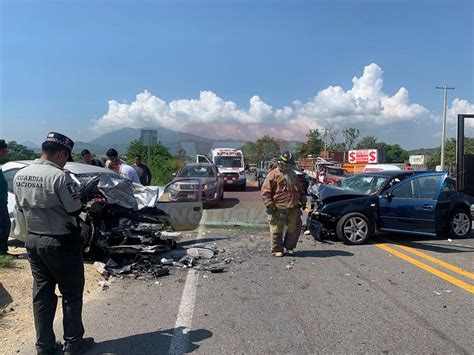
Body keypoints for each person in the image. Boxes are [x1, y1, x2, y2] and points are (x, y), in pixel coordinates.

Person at [13, 132, 95, 355]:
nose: (66, 161)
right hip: (60, 242)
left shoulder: (21, 174)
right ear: (60, 153)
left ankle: (45, 346)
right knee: (71, 293)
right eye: (66, 157)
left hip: (33, 241)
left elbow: (19, 206)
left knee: (42, 294)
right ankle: (73, 343)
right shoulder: (60, 177)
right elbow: (74, 209)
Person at [261, 151, 306, 257]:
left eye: (289, 165)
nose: (287, 167)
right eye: (285, 165)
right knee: (277, 228)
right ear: (280, 163)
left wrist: (303, 200)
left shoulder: (293, 175)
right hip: (278, 207)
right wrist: (269, 204)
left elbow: (300, 190)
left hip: (293, 206)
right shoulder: (273, 174)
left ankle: (290, 247)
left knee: (294, 228)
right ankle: (277, 249)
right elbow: (265, 191)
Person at [0, 139, 12, 256]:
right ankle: (2, 251)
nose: (6, 152)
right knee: (4, 225)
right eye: (5, 149)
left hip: (2, 200)